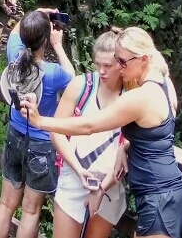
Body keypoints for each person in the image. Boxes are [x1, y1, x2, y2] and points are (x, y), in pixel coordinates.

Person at [22, 27, 182, 238]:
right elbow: (156, 133)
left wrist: (40, 121)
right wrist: (126, 145)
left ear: (143, 59)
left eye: (121, 62)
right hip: (167, 195)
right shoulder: (164, 84)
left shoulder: (139, 96)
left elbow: (89, 126)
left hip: (159, 199)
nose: (119, 68)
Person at [0, 8, 75, 238]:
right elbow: (73, 78)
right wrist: (58, 46)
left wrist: (34, 13)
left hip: (15, 135)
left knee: (6, 203)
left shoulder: (15, 58)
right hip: (41, 143)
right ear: (46, 39)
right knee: (30, 210)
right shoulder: (53, 73)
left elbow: (15, 33)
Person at [52, 31, 127, 238]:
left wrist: (101, 189)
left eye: (108, 66)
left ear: (121, 64)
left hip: (109, 185)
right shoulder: (81, 86)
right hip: (75, 178)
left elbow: (129, 148)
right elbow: (57, 132)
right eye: (98, 64)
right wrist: (79, 170)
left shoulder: (132, 96)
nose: (101, 71)